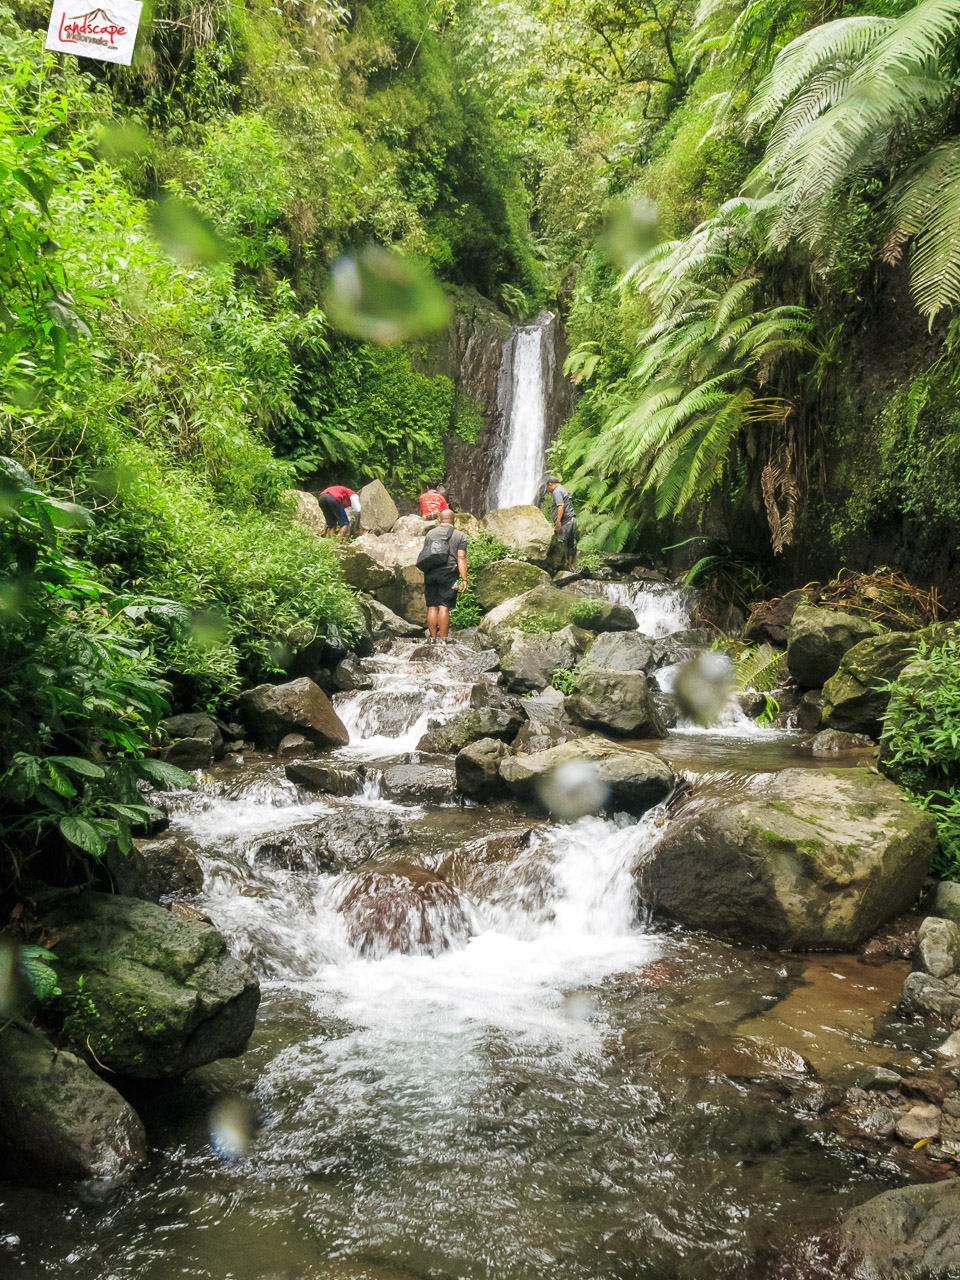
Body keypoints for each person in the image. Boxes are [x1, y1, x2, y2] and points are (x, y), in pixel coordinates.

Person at [421, 509, 467, 642]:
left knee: (432, 606)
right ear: (454, 520)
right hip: (449, 574)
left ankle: (432, 638)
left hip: (430, 572)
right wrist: (464, 579)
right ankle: (443, 640)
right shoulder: (460, 536)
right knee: (444, 606)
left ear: (440, 520)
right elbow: (461, 557)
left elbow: (426, 555)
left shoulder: (430, 534)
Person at [546, 474, 577, 571]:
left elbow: (561, 506)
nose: (548, 490)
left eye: (547, 487)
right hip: (572, 519)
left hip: (565, 522)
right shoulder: (563, 489)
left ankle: (561, 568)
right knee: (570, 543)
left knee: (561, 543)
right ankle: (570, 567)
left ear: (550, 484)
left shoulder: (556, 491)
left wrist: (558, 522)